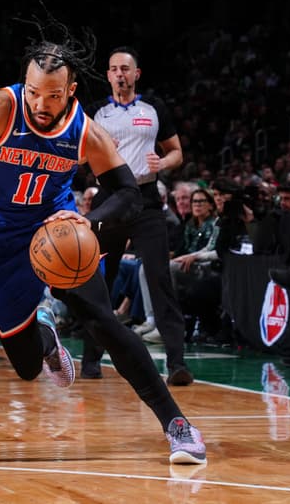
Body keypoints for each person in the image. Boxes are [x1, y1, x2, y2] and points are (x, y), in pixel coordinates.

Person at [0, 23, 206, 464]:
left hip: (53, 233)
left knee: (102, 320)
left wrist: (86, 222)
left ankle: (178, 426)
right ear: (25, 83)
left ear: (71, 90)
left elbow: (130, 193)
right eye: (35, 92)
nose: (41, 104)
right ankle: (44, 335)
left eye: (53, 95)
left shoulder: (84, 130)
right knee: (27, 367)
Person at [83, 46, 193, 386]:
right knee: (100, 279)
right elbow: (76, 152)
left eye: (125, 69)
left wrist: (165, 163)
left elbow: (176, 152)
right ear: (108, 75)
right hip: (109, 198)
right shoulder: (95, 112)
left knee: (160, 279)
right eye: (114, 69)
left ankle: (176, 364)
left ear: (136, 74)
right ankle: (90, 358)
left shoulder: (154, 108)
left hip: (146, 201)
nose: (120, 74)